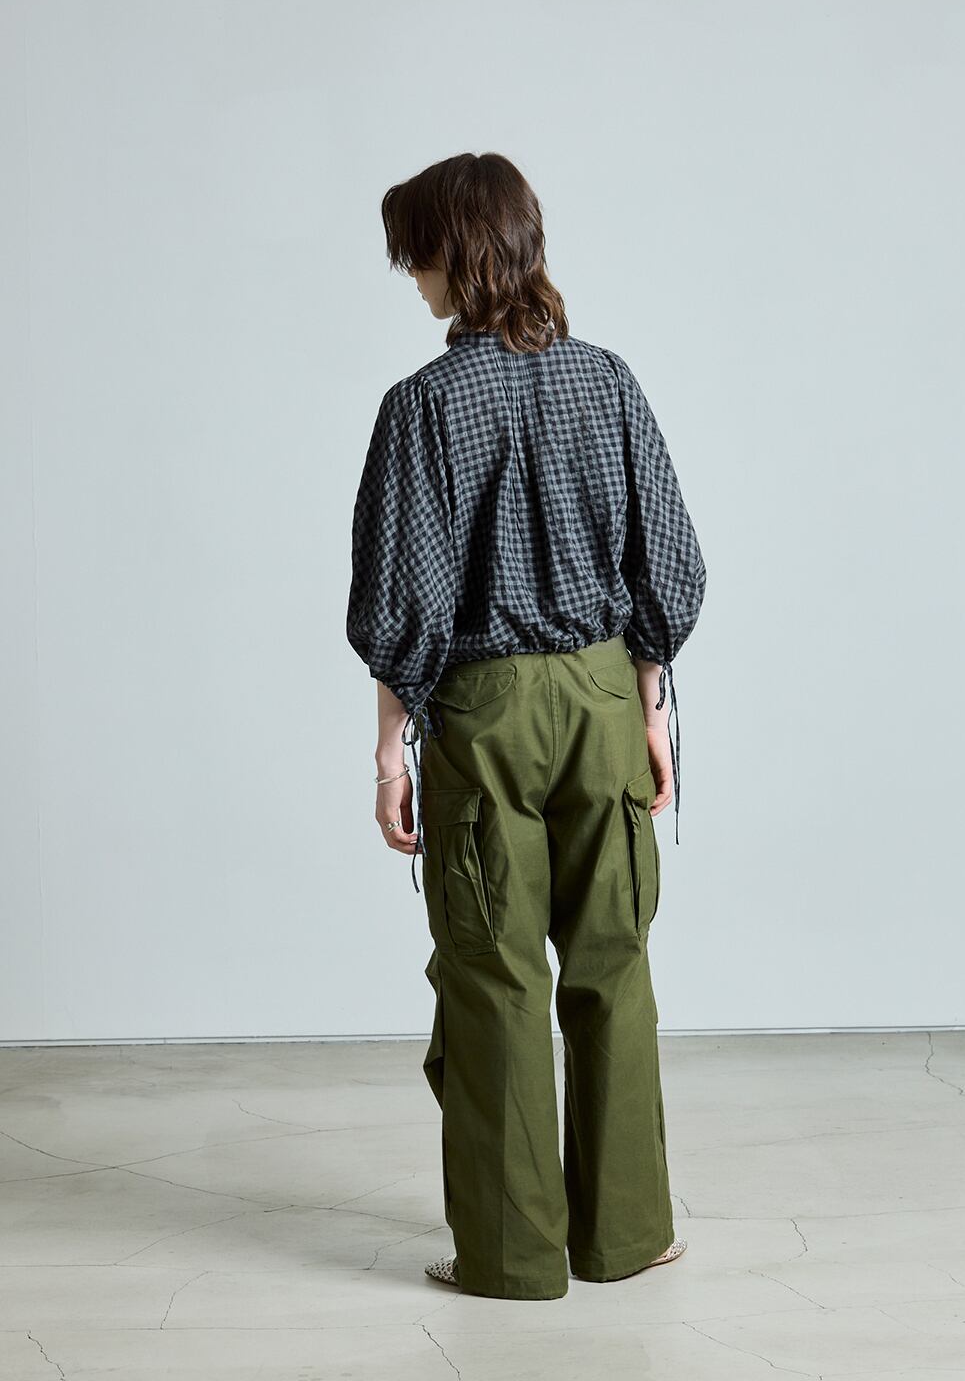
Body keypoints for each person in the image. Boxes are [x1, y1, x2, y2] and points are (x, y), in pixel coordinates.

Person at [345, 152, 706, 1300]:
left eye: (417, 255)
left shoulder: (422, 406)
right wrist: (650, 711)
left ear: (457, 254)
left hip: (486, 712)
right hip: (603, 698)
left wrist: (389, 753)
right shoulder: (609, 383)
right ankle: (628, 1233)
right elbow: (667, 564)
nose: (411, 277)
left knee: (493, 974)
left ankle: (510, 1255)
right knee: (614, 961)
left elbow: (402, 601)